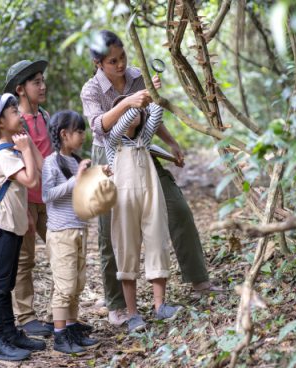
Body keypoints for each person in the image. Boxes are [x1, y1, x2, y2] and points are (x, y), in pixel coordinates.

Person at [80, 30, 220, 326]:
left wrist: (170, 143)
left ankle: (197, 280)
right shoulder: (91, 90)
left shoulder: (135, 75)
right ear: (98, 63)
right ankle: (119, 306)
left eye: (123, 58)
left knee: (176, 207)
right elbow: (99, 127)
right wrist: (128, 102)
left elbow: (150, 114)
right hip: (109, 155)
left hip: (142, 149)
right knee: (111, 232)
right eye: (112, 61)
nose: (120, 65)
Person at [0, 93, 46, 361]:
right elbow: (30, 180)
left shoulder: (9, 150)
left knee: (6, 282)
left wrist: (26, 217)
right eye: (14, 112)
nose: (20, 115)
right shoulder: (2, 153)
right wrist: (28, 148)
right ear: (1, 123)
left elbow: (17, 190)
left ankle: (10, 332)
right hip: (2, 228)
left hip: (13, 225)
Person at [105, 95, 181, 332]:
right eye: (131, 109)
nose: (134, 113)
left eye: (139, 111)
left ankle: (160, 305)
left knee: (157, 242)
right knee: (126, 250)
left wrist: (154, 93)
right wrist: (133, 103)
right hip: (123, 200)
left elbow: (156, 113)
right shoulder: (113, 139)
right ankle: (133, 313)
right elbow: (124, 117)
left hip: (150, 194)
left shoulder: (144, 139)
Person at [42, 110, 101, 354]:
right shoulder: (50, 163)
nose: (82, 135)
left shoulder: (76, 161)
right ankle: (59, 335)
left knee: (77, 283)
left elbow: (83, 192)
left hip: (79, 229)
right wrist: (75, 179)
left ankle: (73, 327)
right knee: (64, 286)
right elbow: (47, 195)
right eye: (78, 131)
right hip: (60, 232)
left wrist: (97, 176)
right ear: (64, 134)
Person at [3, 59, 55, 337]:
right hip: (24, 199)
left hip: (50, 200)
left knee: (63, 254)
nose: (43, 86)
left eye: (42, 80)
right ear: (21, 89)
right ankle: (26, 317)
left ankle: (57, 314)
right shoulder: (13, 122)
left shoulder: (45, 116)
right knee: (25, 260)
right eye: (37, 82)